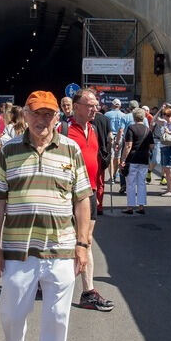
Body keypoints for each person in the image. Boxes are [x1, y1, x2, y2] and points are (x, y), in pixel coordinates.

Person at [0, 91, 92, 341]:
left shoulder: (71, 150)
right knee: (12, 313)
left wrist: (83, 244)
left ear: (58, 117)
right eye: (36, 114)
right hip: (19, 251)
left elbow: (82, 200)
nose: (42, 120)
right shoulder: (9, 151)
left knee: (57, 322)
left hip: (61, 251)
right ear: (25, 117)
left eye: (48, 114)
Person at [62, 88, 114, 312]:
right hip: (68, 194)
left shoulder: (93, 128)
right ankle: (53, 283)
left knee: (86, 240)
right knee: (65, 239)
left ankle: (88, 291)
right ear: (76, 107)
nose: (95, 109)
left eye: (96, 105)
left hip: (89, 192)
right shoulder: (63, 130)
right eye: (90, 105)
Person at [120, 107, 154, 215]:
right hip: (144, 159)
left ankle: (130, 207)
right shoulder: (147, 130)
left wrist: (123, 159)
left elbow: (128, 145)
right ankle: (141, 206)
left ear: (134, 117)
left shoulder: (131, 128)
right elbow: (152, 146)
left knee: (130, 183)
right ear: (143, 117)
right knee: (141, 183)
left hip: (132, 159)